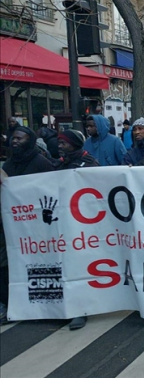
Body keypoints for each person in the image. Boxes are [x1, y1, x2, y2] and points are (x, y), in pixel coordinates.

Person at [1, 126, 55, 326]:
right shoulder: (9, 164)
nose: (15, 142)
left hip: (37, 224)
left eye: (20, 139)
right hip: (13, 224)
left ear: (30, 142)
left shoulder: (41, 163)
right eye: (13, 138)